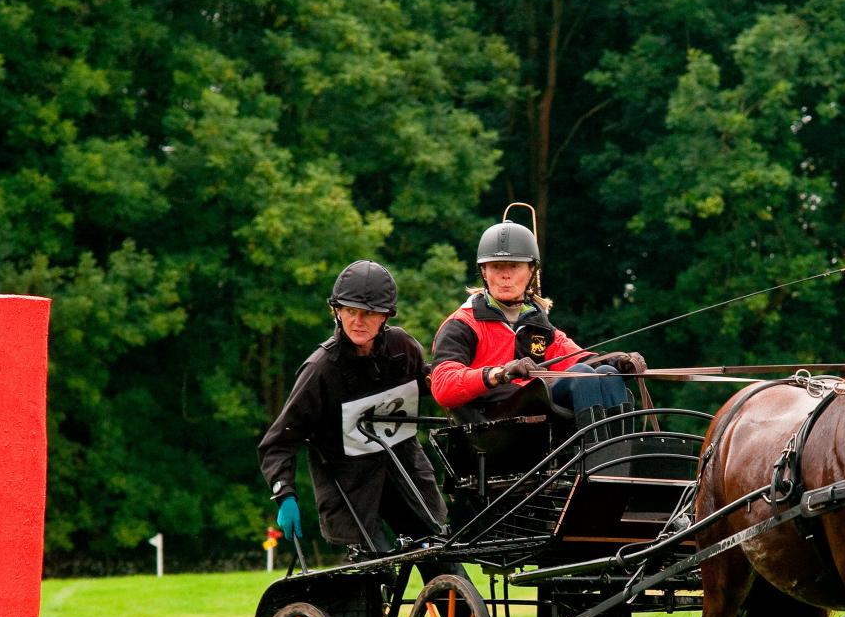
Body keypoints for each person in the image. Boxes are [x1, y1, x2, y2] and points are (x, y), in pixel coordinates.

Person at [259, 260, 460, 574]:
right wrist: (284, 493)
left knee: (442, 560)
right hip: (348, 487)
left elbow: (437, 387)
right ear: (336, 311)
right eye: (350, 311)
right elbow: (280, 442)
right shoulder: (320, 370)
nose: (358, 321)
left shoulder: (403, 348)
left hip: (405, 471)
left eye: (369, 313)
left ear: (385, 317)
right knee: (375, 575)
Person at [429, 219, 645, 433]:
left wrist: (617, 362)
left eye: (514, 266)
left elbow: (576, 357)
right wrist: (498, 373)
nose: (505, 275)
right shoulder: (462, 323)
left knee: (606, 373)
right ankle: (597, 459)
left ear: (531, 271)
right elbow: (442, 386)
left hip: (535, 416)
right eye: (496, 266)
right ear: (484, 272)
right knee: (582, 376)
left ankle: (621, 460)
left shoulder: (536, 322)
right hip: (489, 424)